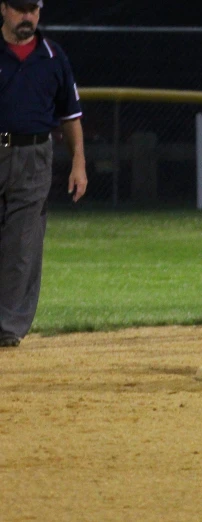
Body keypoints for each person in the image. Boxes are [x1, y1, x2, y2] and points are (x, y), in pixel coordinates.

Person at [0, 0, 87, 348]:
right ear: (3, 9)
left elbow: (71, 114)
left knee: (23, 244)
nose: (27, 17)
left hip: (35, 154)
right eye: (20, 9)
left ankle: (8, 328)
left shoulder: (53, 56)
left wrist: (78, 161)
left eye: (33, 9)